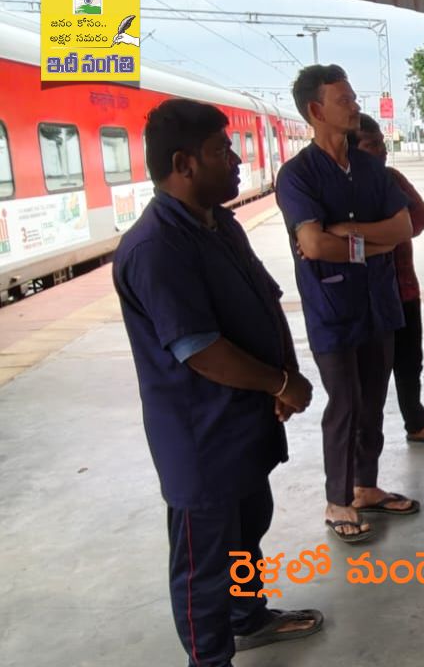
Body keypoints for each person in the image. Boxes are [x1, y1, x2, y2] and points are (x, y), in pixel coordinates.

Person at [114, 98, 323, 667]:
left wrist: (283, 376)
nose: (235, 161)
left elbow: (265, 297)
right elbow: (200, 350)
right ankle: (210, 658)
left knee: (247, 529)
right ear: (183, 164)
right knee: (203, 562)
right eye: (220, 151)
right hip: (200, 434)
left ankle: (246, 617)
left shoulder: (218, 224)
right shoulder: (157, 246)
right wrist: (278, 382)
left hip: (241, 420)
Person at [275, 65, 417, 543]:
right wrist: (373, 246)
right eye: (345, 100)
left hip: (379, 302)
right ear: (316, 110)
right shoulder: (297, 176)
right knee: (345, 402)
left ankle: (364, 486)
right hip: (331, 306)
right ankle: (337, 498)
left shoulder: (371, 168)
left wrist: (350, 235)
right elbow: (314, 245)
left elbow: (403, 228)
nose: (355, 106)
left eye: (354, 98)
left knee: (373, 399)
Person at [349, 113, 424, 447]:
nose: (382, 150)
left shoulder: (392, 178)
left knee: (410, 362)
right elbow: (330, 240)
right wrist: (390, 230)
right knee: (370, 374)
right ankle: (363, 443)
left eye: (382, 143)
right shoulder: (341, 187)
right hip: (364, 296)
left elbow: (420, 218)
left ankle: (416, 423)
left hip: (404, 289)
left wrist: (368, 234)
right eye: (372, 144)